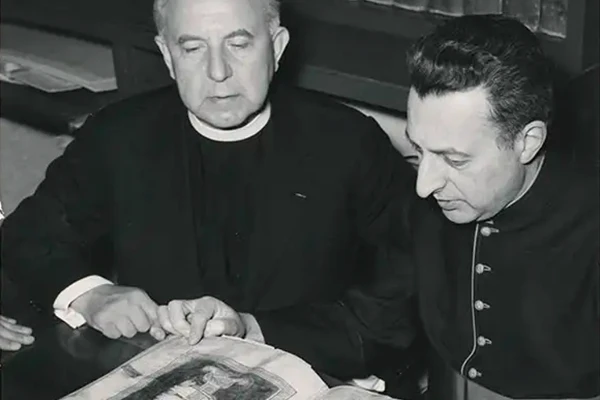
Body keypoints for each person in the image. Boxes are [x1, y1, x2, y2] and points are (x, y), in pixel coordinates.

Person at [0, 0, 419, 392]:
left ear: (276, 47)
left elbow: (402, 298)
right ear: (166, 55)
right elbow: (30, 233)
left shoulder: (349, 141)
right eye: (193, 48)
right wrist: (91, 293)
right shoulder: (119, 136)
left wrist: (251, 327)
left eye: (238, 44)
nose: (218, 72)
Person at [399, 15, 599, 399]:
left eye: (454, 160)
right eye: (418, 150)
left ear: (528, 142)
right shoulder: (436, 197)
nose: (425, 186)